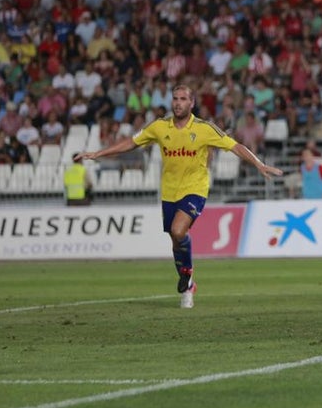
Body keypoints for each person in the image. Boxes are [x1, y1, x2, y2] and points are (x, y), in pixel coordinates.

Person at [73, 85, 283, 308]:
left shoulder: (204, 129)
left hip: (195, 188)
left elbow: (236, 146)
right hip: (169, 191)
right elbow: (131, 142)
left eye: (183, 99)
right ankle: (188, 282)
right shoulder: (160, 127)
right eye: (175, 98)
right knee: (175, 240)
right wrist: (99, 153)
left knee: (178, 230)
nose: (178, 103)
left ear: (192, 103)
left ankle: (186, 275)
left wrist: (258, 164)